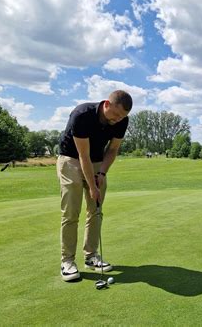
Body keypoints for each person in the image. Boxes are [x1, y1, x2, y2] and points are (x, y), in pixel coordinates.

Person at [56, 90, 132, 282]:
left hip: (98, 161)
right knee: (71, 212)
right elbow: (83, 156)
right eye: (115, 115)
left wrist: (102, 174)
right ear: (107, 104)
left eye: (122, 117)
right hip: (71, 160)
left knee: (96, 210)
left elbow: (113, 149)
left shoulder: (122, 120)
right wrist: (92, 186)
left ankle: (91, 256)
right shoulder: (82, 115)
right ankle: (67, 262)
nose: (117, 120)